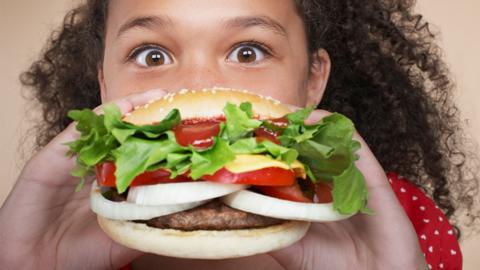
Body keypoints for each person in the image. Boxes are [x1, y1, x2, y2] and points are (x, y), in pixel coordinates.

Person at [0, 0, 476, 269]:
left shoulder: (404, 223)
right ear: (105, 84)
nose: (197, 86)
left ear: (313, 80)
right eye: (151, 55)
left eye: (248, 52)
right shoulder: (52, 232)